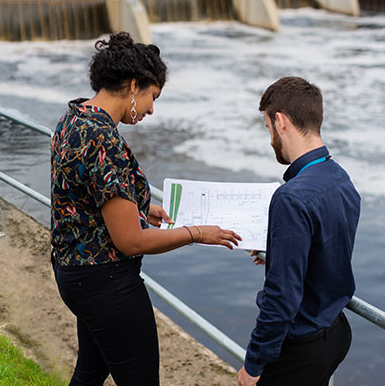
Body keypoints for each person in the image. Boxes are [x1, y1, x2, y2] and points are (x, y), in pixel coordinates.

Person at [50, 31, 241, 386]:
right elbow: (131, 242)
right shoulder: (103, 139)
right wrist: (197, 233)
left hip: (73, 271)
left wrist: (140, 204)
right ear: (134, 85)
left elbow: (81, 196)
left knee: (90, 372)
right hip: (107, 282)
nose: (152, 109)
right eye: (153, 97)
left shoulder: (73, 119)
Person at [237, 76, 360, 386]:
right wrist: (276, 253)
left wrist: (253, 365)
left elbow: (281, 299)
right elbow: (327, 250)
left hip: (299, 349)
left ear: (280, 122)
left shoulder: (290, 197)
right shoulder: (340, 178)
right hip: (336, 331)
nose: (270, 141)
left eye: (267, 129)